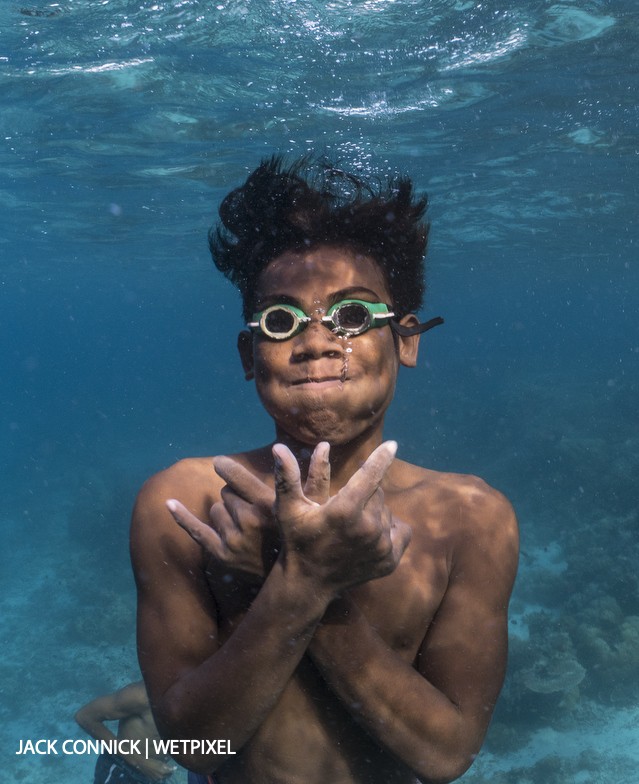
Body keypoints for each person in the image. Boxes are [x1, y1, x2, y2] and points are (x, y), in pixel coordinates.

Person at [130, 155, 519, 784]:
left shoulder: (473, 519)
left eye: (354, 316)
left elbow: (446, 754)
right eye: (281, 321)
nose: (316, 340)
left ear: (408, 340)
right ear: (249, 356)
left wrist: (295, 580)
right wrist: (303, 584)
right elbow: (191, 747)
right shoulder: (181, 502)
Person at [75, 681, 176, 783]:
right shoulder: (143, 695)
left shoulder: (189, 701)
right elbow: (84, 717)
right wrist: (139, 762)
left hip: (154, 776)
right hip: (122, 769)